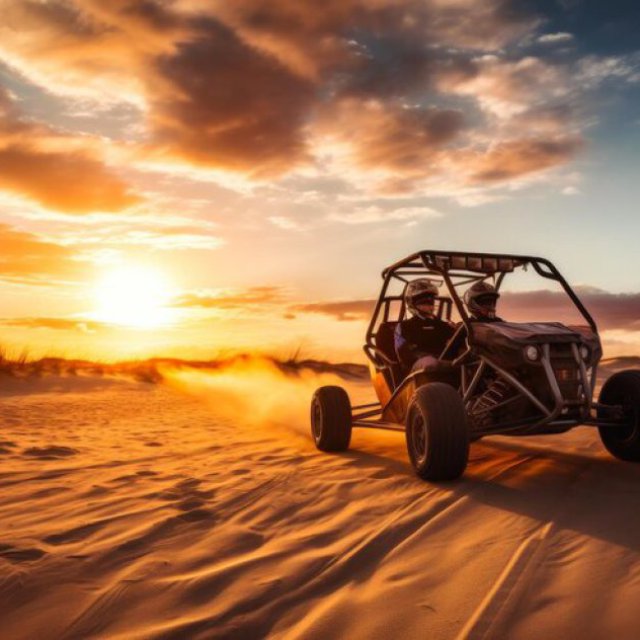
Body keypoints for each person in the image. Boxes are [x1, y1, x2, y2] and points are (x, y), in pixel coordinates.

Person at [394, 279, 455, 371]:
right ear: (412, 303)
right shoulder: (404, 326)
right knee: (430, 362)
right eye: (424, 302)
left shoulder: (443, 325)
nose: (430, 305)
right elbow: (404, 356)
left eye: (431, 302)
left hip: (444, 362)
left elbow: (455, 347)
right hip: (416, 367)